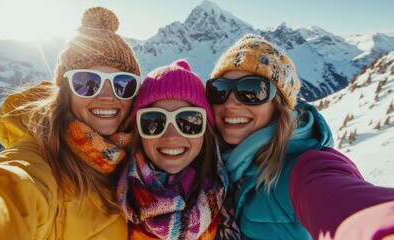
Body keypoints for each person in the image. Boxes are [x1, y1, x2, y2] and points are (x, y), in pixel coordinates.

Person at [0, 7, 141, 240]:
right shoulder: (39, 161)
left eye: (123, 84)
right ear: (65, 92)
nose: (107, 95)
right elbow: (8, 190)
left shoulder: (135, 162)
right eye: (88, 82)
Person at [206, 34, 394, 240]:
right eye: (220, 90)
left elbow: (346, 206)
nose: (230, 103)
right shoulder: (212, 167)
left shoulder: (305, 166)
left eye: (251, 91)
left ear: (278, 105)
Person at [117, 59, 228, 240]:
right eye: (154, 121)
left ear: (205, 131)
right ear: (138, 131)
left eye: (188, 121)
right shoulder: (107, 196)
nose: (171, 136)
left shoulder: (231, 202)